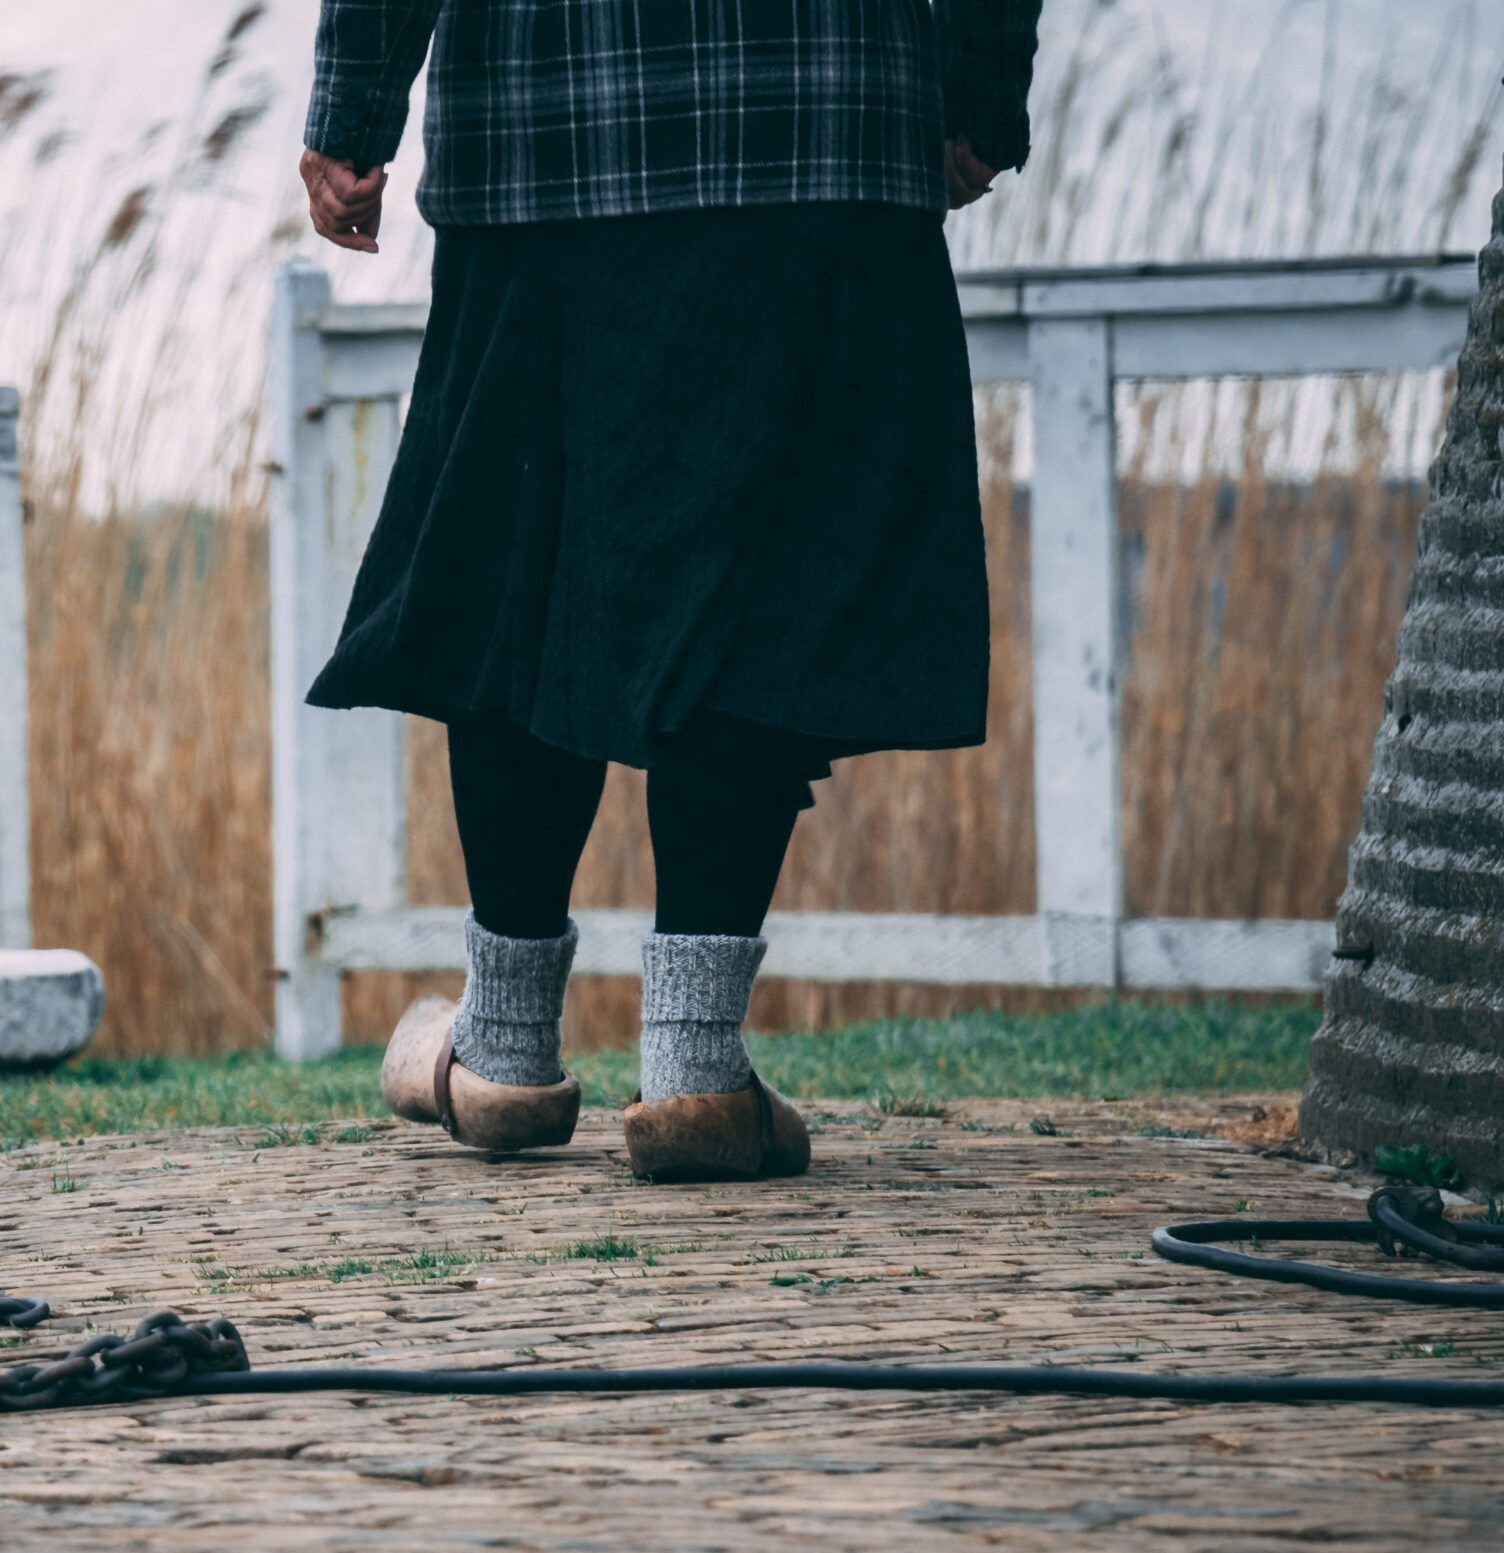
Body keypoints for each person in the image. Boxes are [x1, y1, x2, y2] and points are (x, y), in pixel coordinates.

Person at [298, 1, 1045, 1181]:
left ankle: (499, 1048)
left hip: (551, 129)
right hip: (822, 123)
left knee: (522, 568)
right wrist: (977, 100)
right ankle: (696, 1068)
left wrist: (352, 113)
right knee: (763, 581)